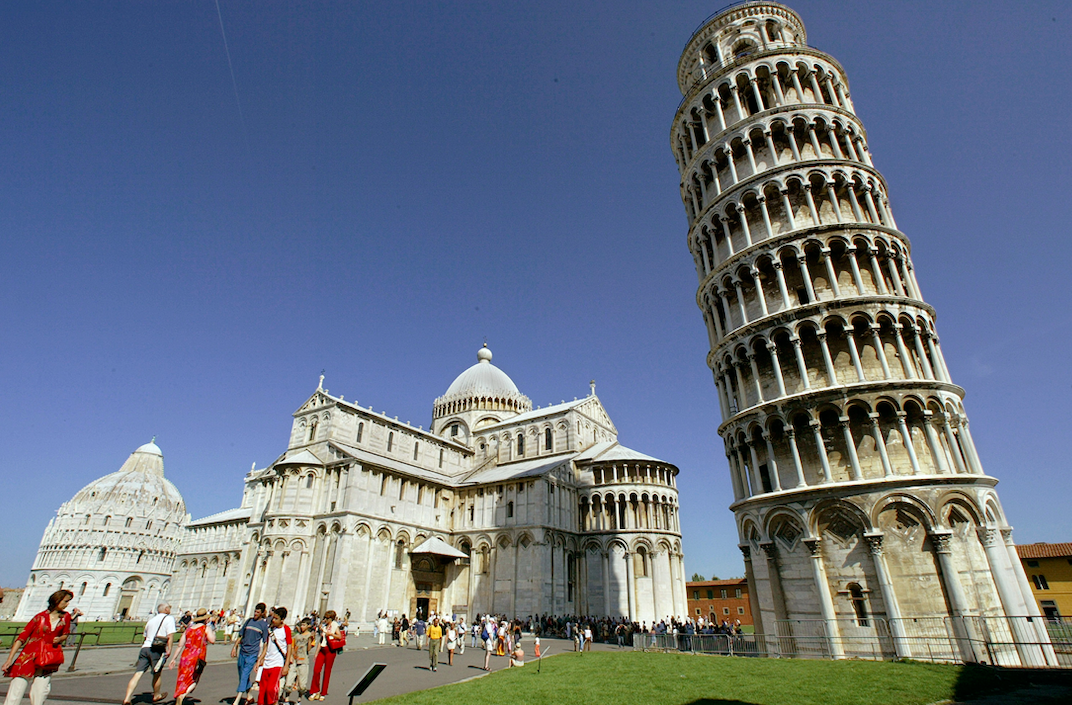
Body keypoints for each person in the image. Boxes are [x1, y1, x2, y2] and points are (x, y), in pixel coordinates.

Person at [2, 589, 73, 705]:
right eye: (65, 601)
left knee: (41, 691)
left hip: (48, 656)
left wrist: (60, 639)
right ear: (57, 601)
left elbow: (65, 634)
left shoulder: (66, 617)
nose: (67, 604)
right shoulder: (39, 617)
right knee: (17, 688)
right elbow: (22, 638)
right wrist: (9, 659)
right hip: (29, 656)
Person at [122, 602, 176, 705]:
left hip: (145, 648)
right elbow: (170, 636)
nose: (170, 609)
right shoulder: (169, 618)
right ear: (165, 609)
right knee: (157, 674)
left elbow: (146, 636)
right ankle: (156, 695)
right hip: (157, 649)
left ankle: (127, 699)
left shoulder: (151, 620)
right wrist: (169, 649)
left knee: (137, 674)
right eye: (169, 607)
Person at [167, 608, 216, 705]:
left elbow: (180, 645)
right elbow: (212, 640)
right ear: (206, 619)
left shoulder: (188, 629)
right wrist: (213, 631)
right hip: (197, 656)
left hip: (185, 655)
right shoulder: (206, 628)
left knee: (183, 678)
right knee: (194, 679)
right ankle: (183, 695)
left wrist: (173, 659)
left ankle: (180, 694)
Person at [231, 603, 269, 705]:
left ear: (262, 613)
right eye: (255, 611)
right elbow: (240, 635)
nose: (255, 614)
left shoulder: (263, 625)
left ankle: (237, 700)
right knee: (242, 674)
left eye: (258, 612)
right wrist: (234, 647)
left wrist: (261, 657)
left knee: (244, 674)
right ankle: (249, 696)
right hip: (243, 651)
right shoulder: (249, 621)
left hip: (252, 654)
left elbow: (266, 643)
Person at [255, 608, 291, 705]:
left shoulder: (286, 629)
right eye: (273, 618)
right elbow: (266, 645)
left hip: (277, 663)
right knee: (262, 690)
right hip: (267, 662)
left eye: (276, 618)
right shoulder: (270, 629)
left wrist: (286, 665)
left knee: (271, 689)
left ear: (282, 619)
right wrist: (260, 659)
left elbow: (289, 647)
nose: (273, 620)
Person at [308, 610, 342, 701]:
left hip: (330, 650)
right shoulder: (324, 626)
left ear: (331, 618)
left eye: (327, 618)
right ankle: (315, 690)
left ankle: (323, 692)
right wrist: (316, 653)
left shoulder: (335, 625)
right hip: (322, 650)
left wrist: (331, 634)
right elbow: (321, 640)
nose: (325, 620)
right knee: (316, 670)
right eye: (325, 618)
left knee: (327, 672)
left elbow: (339, 637)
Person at [283, 619, 313, 703]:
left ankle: (299, 700)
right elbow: (292, 646)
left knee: (302, 684)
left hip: (303, 661)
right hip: (295, 661)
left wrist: (310, 639)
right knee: (289, 681)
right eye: (301, 625)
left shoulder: (309, 635)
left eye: (304, 625)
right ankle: (287, 699)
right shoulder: (296, 636)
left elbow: (309, 649)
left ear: (308, 626)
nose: (302, 627)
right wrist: (291, 656)